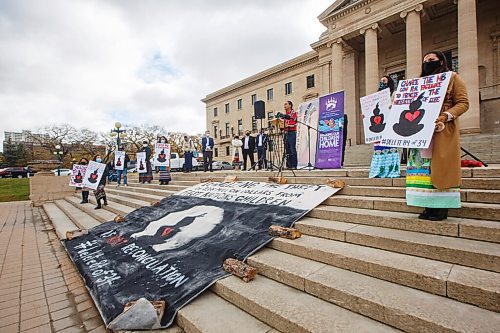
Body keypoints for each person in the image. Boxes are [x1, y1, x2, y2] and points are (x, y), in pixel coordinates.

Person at [406, 50, 469, 221]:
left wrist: (445, 116)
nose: (427, 62)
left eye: (431, 60)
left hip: (442, 129)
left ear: (441, 62)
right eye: (425, 60)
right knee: (423, 170)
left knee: (440, 168)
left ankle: (441, 208)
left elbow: (463, 103)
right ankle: (428, 205)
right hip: (419, 131)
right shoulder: (418, 83)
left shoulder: (453, 78)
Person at [368, 75, 401, 178]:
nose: (382, 82)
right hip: (378, 126)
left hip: (389, 125)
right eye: (381, 81)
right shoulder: (375, 97)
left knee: (390, 147)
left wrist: (393, 106)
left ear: (389, 82)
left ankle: (391, 170)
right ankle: (378, 170)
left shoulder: (394, 94)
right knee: (379, 148)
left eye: (385, 81)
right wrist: (366, 114)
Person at [284, 100, 298, 169]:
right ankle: (288, 165)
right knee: (287, 150)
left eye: (286, 104)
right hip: (286, 133)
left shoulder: (293, 113)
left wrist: (288, 125)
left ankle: (294, 165)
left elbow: (295, 123)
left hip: (292, 133)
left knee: (292, 149)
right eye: (284, 104)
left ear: (290, 105)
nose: (285, 106)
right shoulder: (285, 115)